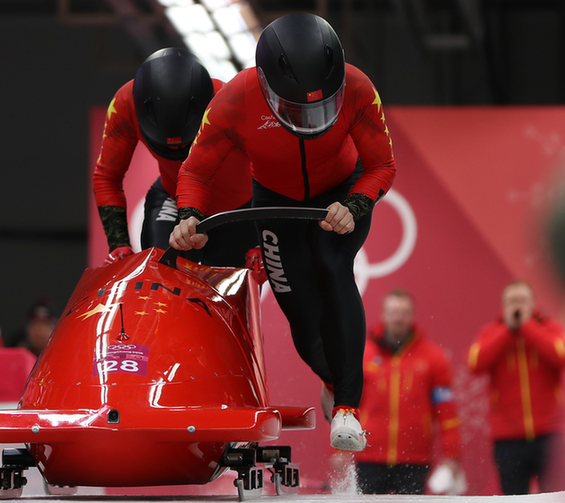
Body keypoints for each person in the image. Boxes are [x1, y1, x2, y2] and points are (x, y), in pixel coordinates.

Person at [170, 13, 396, 451]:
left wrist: (357, 204)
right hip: (275, 200)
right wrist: (189, 214)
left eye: (322, 107)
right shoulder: (236, 99)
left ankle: (348, 409)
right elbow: (195, 171)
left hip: (341, 191)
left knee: (333, 266)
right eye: (297, 109)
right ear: (269, 90)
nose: (312, 119)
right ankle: (331, 380)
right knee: (298, 305)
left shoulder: (359, 88)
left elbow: (382, 164)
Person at [93, 47, 257, 267]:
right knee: (159, 275)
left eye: (184, 147)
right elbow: (107, 176)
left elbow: (272, 169)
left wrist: (267, 233)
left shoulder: (230, 104)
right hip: (174, 197)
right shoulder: (124, 104)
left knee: (228, 293)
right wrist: (118, 244)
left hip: (239, 211)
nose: (176, 152)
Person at [352, 289, 464, 494]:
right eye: (393, 312)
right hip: (369, 456)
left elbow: (447, 412)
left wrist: (451, 455)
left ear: (412, 316)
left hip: (414, 459)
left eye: (404, 313)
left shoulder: (433, 357)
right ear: (383, 314)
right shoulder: (363, 354)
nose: (398, 319)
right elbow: (347, 406)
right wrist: (339, 449)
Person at [467, 280, 565, 495]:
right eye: (512, 301)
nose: (518, 306)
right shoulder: (492, 331)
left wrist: (528, 327)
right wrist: (509, 331)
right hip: (508, 437)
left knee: (555, 496)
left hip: (548, 433)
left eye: (522, 300)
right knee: (513, 497)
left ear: (533, 304)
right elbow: (475, 362)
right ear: (504, 305)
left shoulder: (550, 328)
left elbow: (560, 355)